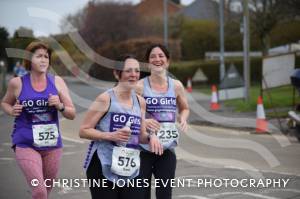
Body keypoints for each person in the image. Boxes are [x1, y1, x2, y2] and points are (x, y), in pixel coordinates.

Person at [79, 55, 163, 199]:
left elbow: (141, 136)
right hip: (102, 165)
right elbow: (83, 130)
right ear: (117, 73)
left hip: (129, 167)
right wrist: (110, 135)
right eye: (128, 71)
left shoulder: (141, 102)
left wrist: (151, 137)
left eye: (137, 71)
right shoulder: (105, 99)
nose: (134, 75)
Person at [1, 41, 76, 199]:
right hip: (26, 143)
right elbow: (5, 103)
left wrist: (60, 105)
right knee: (39, 190)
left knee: (45, 193)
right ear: (29, 59)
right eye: (39, 56)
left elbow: (72, 114)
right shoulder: (17, 83)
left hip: (52, 146)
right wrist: (11, 110)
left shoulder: (57, 82)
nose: (43, 60)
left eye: (46, 57)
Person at [135, 44, 190, 199]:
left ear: (167, 61)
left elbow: (184, 108)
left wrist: (183, 118)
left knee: (165, 195)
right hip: (143, 150)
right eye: (153, 56)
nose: (157, 59)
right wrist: (145, 126)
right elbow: (132, 114)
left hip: (166, 151)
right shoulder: (139, 87)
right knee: (142, 195)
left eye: (161, 56)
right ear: (147, 62)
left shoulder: (176, 86)